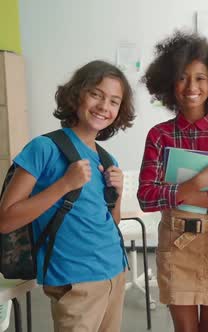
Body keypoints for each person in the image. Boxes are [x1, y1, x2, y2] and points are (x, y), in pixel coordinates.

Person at [0, 60, 135, 331]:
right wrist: (63, 184)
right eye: (96, 94)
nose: (103, 106)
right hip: (75, 280)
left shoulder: (106, 157)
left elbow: (112, 222)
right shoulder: (44, 148)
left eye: (114, 101)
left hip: (115, 273)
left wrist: (117, 194)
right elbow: (5, 220)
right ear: (77, 94)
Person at [137, 31, 208, 332]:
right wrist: (198, 183)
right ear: (170, 84)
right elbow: (146, 197)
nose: (191, 87)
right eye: (183, 78)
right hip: (176, 243)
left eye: (200, 78)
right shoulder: (159, 135)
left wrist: (179, 196)